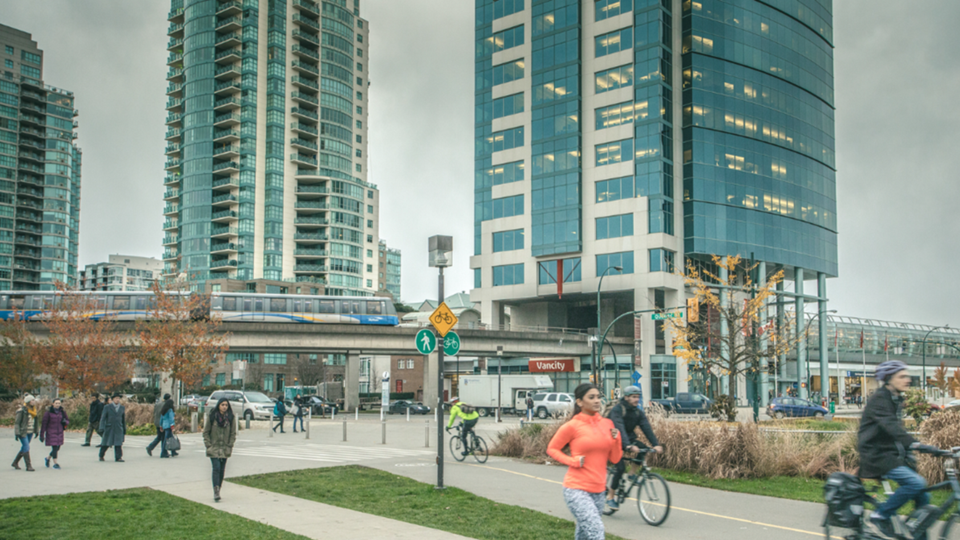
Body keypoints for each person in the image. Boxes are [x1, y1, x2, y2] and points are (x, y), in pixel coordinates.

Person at [858, 360, 926, 539]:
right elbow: (891, 427)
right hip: (877, 455)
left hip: (891, 454)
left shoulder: (894, 398)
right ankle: (878, 516)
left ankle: (917, 533)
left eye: (907, 375)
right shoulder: (880, 399)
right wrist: (915, 444)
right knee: (916, 483)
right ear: (889, 379)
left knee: (923, 498)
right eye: (902, 376)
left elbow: (896, 430)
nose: (908, 380)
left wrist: (913, 447)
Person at [547, 383, 623, 540]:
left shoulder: (607, 424)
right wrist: (572, 461)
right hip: (576, 489)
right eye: (591, 397)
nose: (596, 401)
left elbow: (615, 459)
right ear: (580, 402)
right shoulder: (572, 426)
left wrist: (617, 439)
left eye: (598, 397)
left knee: (583, 534)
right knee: (596, 530)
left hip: (599, 491)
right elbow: (552, 449)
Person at [605, 385, 662, 510]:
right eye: (634, 397)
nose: (637, 400)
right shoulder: (618, 410)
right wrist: (628, 445)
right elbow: (619, 427)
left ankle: (631, 474)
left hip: (627, 439)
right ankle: (610, 497)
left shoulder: (637, 412)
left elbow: (646, 428)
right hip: (612, 440)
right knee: (620, 468)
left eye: (638, 397)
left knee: (643, 448)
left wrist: (655, 444)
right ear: (626, 398)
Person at [203, 397, 237, 502]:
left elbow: (233, 433)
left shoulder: (230, 418)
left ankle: (218, 488)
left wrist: (230, 445)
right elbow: (206, 432)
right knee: (216, 468)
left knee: (222, 470)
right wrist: (209, 445)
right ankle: (216, 490)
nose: (224, 407)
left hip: (225, 448)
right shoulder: (212, 416)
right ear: (218, 405)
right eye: (222, 405)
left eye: (226, 405)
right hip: (214, 448)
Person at [12, 394, 40, 471]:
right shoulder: (21, 411)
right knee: (26, 447)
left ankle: (15, 462)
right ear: (28, 401)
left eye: (34, 400)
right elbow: (17, 423)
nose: (34, 401)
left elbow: (36, 422)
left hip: (30, 432)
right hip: (23, 432)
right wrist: (17, 433)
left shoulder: (34, 410)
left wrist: (36, 431)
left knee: (24, 447)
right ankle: (28, 465)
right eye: (32, 400)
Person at [40, 398, 69, 469]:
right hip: (51, 432)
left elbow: (67, 420)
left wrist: (65, 422)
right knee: (55, 447)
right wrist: (42, 434)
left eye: (59, 403)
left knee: (57, 447)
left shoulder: (62, 412)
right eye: (56, 403)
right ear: (53, 404)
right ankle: (55, 463)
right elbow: (44, 424)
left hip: (59, 432)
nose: (58, 405)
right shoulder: (48, 413)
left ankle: (48, 458)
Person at [98, 394, 126, 462]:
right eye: (116, 398)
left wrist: (124, 428)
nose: (118, 400)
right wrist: (101, 427)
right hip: (109, 427)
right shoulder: (107, 407)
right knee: (106, 443)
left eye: (118, 398)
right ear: (113, 399)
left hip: (118, 427)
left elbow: (123, 419)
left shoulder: (122, 408)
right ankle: (101, 455)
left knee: (118, 443)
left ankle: (118, 457)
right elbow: (103, 418)